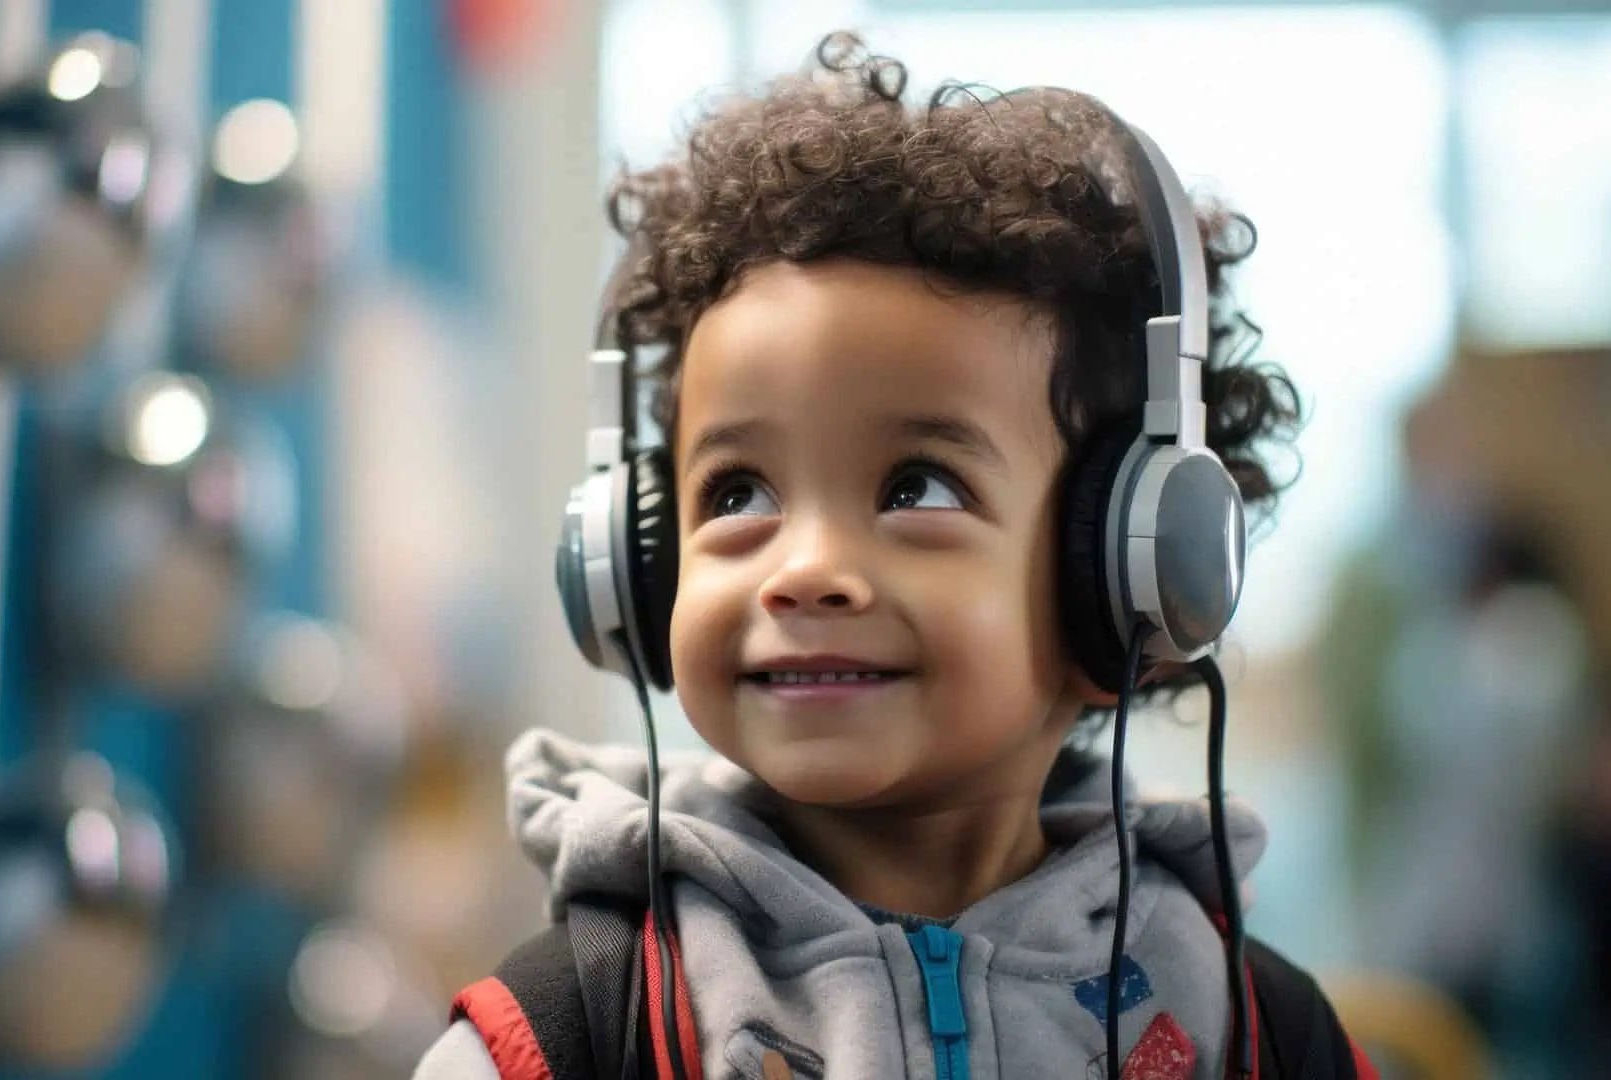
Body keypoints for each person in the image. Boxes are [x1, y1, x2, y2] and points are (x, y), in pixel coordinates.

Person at [415, 32, 1362, 1080]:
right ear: (636, 569)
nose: (804, 568)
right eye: (739, 493)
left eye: (917, 487)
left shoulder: (1248, 1028)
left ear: (1132, 573)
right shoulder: (573, 1030)